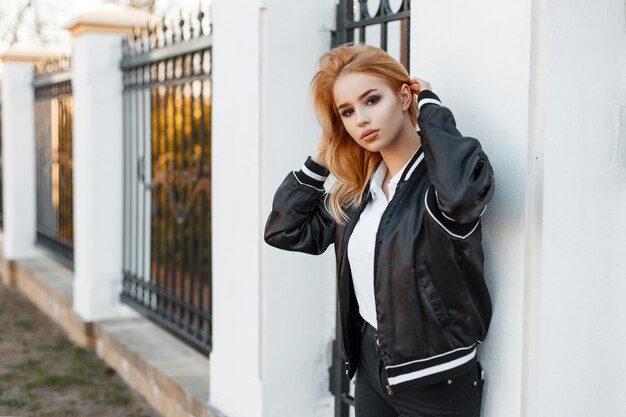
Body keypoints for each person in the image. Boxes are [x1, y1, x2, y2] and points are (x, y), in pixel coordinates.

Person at [264, 43, 495, 417]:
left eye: (372, 100)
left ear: (404, 95)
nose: (361, 120)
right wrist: (320, 158)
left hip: (435, 378)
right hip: (372, 368)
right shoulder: (360, 192)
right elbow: (285, 230)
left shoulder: (436, 184)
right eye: (348, 112)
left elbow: (464, 193)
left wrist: (431, 109)